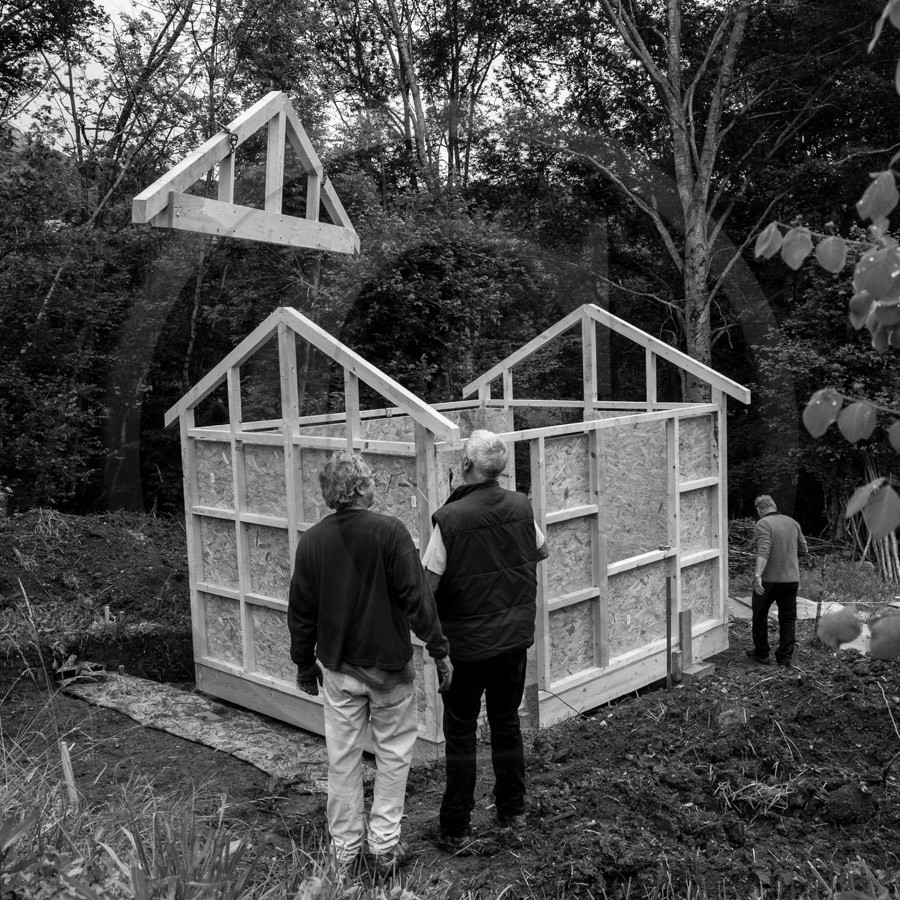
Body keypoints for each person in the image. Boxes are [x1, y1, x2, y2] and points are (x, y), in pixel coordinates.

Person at [287, 451, 453, 875]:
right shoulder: (390, 532)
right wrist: (439, 650)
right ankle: (382, 848)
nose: (376, 484)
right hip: (389, 672)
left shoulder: (312, 541)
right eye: (371, 480)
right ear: (359, 488)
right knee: (394, 756)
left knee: (342, 760)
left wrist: (305, 666)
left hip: (340, 672)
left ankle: (343, 852)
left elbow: (301, 612)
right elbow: (417, 599)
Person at [422, 429, 548, 851]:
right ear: (501, 469)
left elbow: (428, 585)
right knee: (506, 723)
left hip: (466, 649)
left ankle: (456, 825)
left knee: (460, 733)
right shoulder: (520, 505)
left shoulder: (450, 519)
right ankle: (513, 809)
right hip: (512, 641)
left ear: (467, 466)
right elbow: (540, 550)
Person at [747, 494, 809, 668]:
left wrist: (757, 575)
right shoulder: (792, 522)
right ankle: (784, 658)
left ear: (759, 510)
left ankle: (762, 653)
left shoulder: (763, 524)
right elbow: (804, 550)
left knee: (759, 615)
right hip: (790, 580)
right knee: (788, 619)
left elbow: (763, 550)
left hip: (768, 581)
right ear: (773, 506)